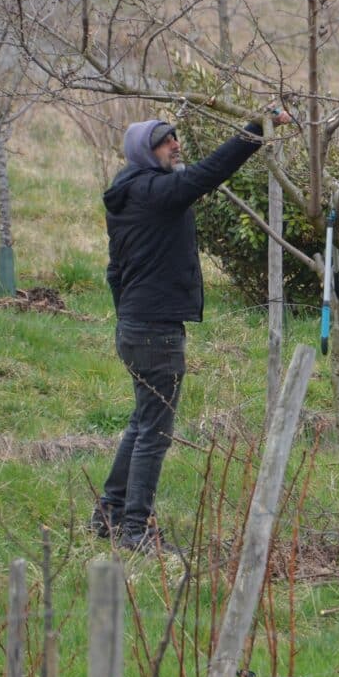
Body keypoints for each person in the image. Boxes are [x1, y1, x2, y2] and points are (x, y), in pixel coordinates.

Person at [91, 109, 292, 553]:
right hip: (155, 331)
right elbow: (207, 174)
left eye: (176, 137)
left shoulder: (127, 193)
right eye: (165, 141)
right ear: (146, 152)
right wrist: (256, 131)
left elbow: (114, 271)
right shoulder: (155, 192)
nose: (176, 144)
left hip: (136, 326)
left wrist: (128, 314)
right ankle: (136, 530)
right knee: (154, 432)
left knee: (142, 422)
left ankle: (110, 512)